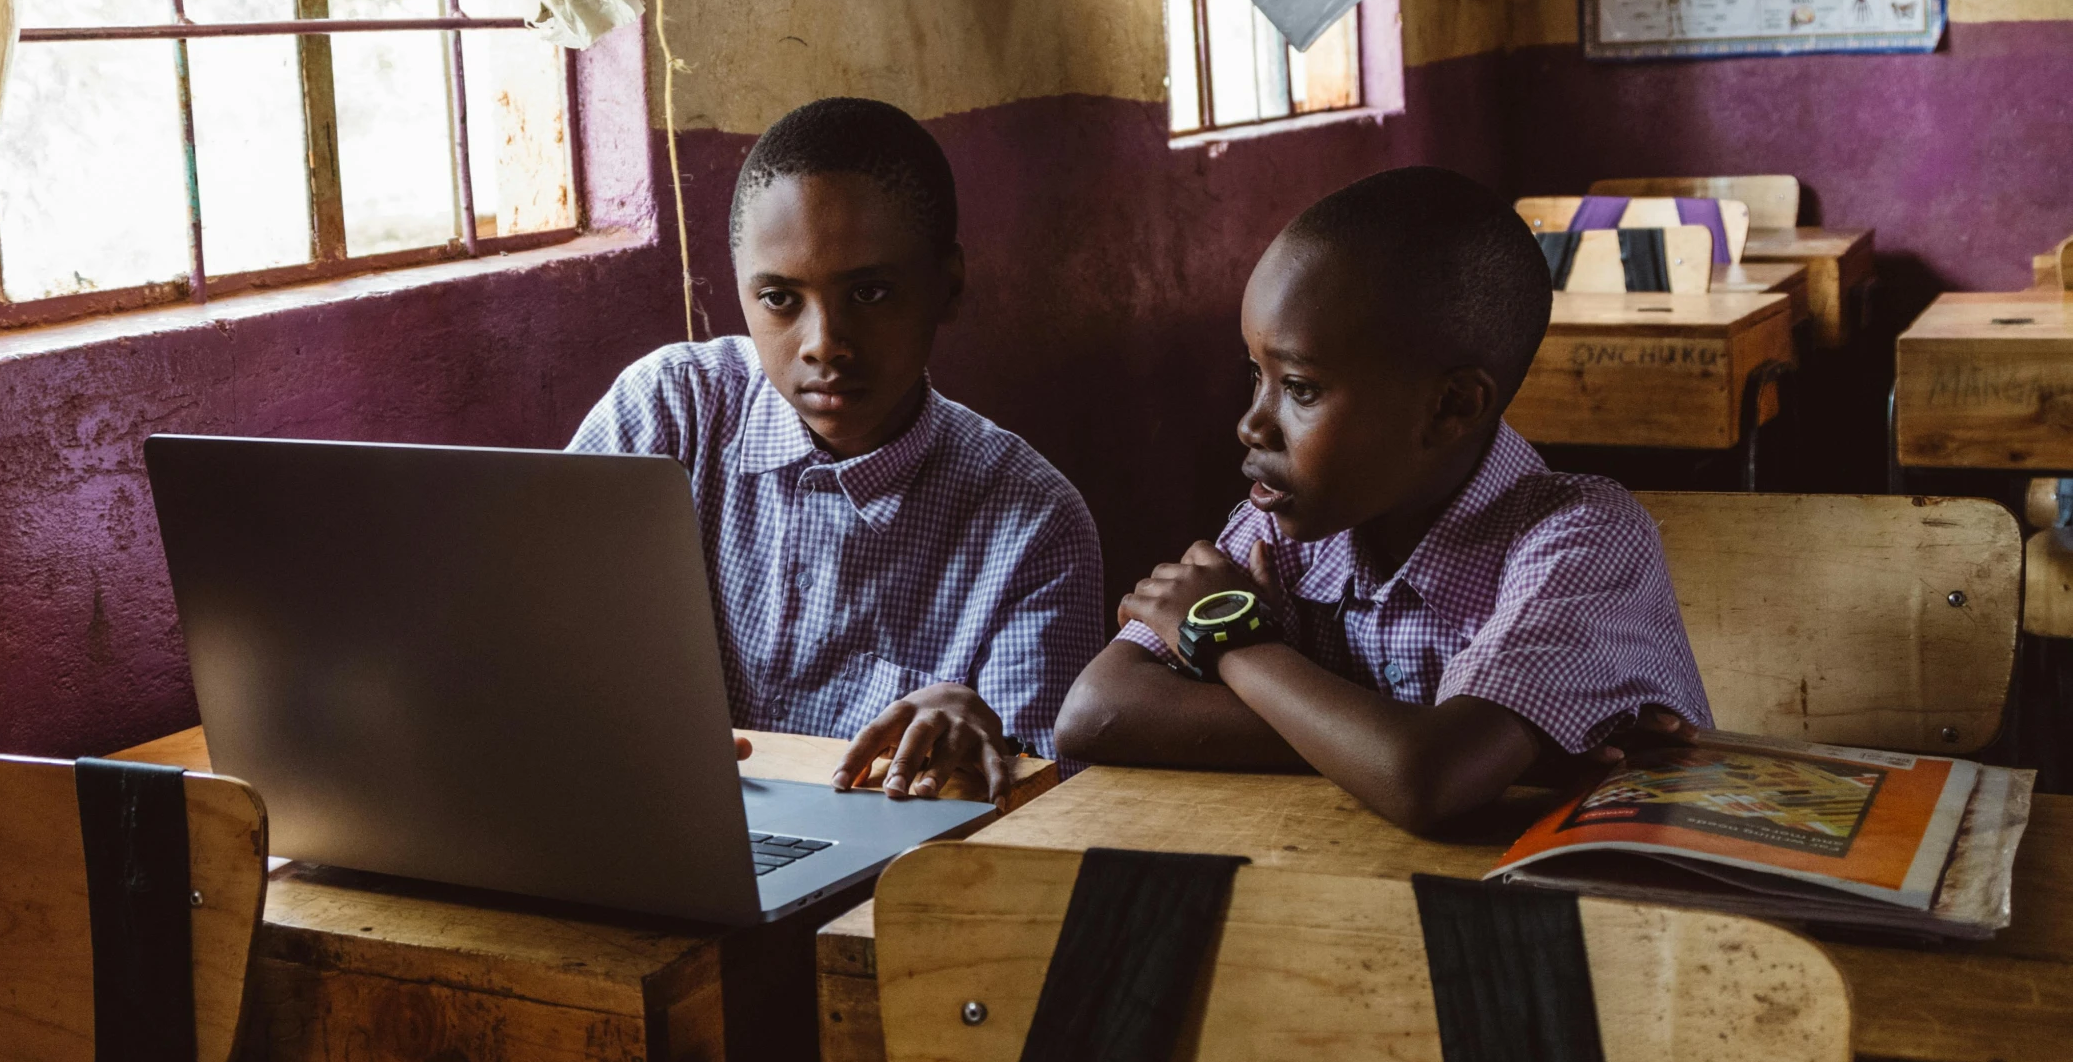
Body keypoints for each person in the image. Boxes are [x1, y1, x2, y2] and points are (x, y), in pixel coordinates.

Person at [1055, 167, 1708, 833]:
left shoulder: (1583, 538)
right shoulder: (1280, 525)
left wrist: (1235, 644)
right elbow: (1094, 710)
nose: (1251, 423)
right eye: (1258, 373)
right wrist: (1422, 747)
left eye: (1302, 388)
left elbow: (1428, 776)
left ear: (1451, 406)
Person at [570, 97, 1104, 800]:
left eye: (872, 291)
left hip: (892, 889)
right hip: (644, 827)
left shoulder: (1034, 523)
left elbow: (1038, 809)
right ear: (741, 292)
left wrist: (985, 751)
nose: (825, 342)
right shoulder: (669, 413)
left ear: (949, 287)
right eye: (781, 299)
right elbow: (522, 630)